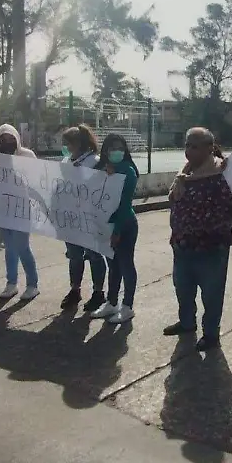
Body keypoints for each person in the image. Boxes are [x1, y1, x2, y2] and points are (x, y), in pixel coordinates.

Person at [163, 127, 232, 351]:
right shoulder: (184, 173)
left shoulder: (222, 173)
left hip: (211, 246)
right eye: (187, 145)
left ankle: (211, 334)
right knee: (182, 288)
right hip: (182, 243)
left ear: (209, 148)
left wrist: (209, 224)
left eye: (195, 146)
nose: (189, 150)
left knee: (212, 293)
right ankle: (187, 323)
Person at [88, 134, 140, 324]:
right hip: (105, 226)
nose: (116, 152)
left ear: (125, 150)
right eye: (112, 148)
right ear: (106, 151)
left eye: (120, 148)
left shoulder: (128, 171)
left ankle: (127, 306)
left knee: (126, 265)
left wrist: (117, 231)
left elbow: (125, 205)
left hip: (124, 225)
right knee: (113, 265)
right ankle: (112, 302)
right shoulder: (101, 169)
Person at [59, 124, 108, 312]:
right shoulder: (66, 161)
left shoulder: (95, 162)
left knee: (95, 255)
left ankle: (98, 292)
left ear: (79, 143)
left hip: (89, 218)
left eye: (68, 143)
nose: (66, 147)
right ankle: (75, 290)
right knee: (74, 255)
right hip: (70, 217)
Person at [0, 124, 40, 300]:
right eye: (3, 139)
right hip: (0, 210)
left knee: (22, 247)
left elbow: (37, 180)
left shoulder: (27, 156)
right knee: (9, 248)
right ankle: (11, 283)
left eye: (11, 138)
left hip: (22, 210)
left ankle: (32, 284)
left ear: (17, 139)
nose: (7, 142)